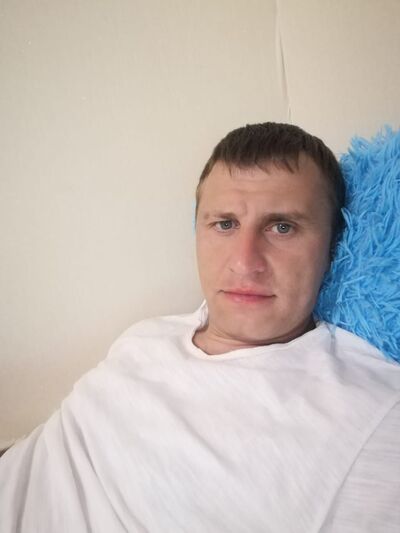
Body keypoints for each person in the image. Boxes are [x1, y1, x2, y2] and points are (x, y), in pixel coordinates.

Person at [1, 123, 399, 532]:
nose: (244, 262)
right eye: (225, 224)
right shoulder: (144, 336)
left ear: (334, 246)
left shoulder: (369, 415)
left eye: (282, 227)